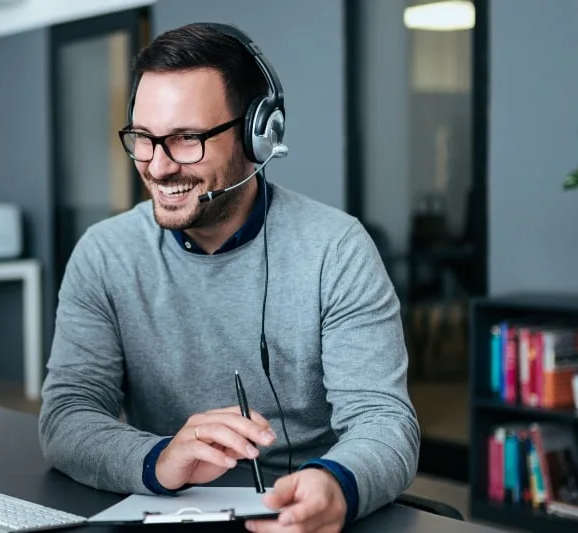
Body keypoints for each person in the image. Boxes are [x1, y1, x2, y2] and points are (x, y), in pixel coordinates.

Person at [37, 21, 421, 533]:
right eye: (144, 139)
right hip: (169, 510)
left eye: (186, 139)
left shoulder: (336, 249)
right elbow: (68, 414)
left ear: (257, 135)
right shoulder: (104, 254)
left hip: (301, 514)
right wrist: (159, 459)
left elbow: (385, 421)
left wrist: (336, 484)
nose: (158, 166)